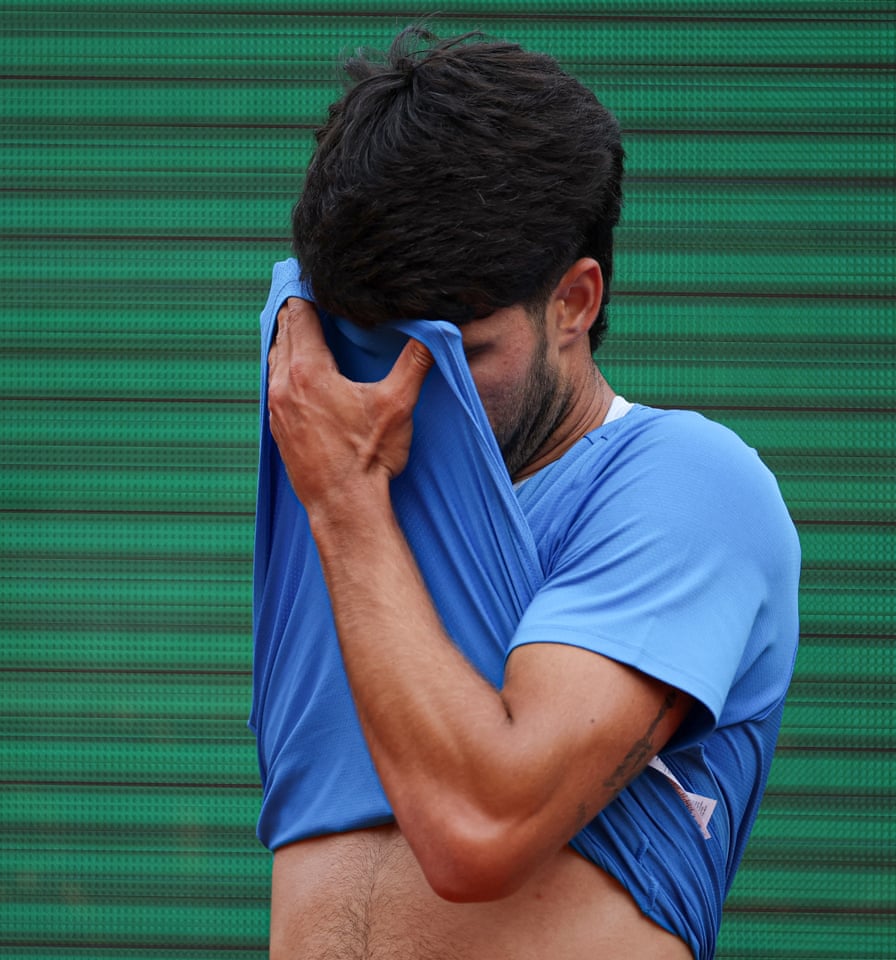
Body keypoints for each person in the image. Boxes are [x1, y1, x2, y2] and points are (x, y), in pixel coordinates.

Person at [251, 27, 801, 960]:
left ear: (575, 303)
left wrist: (344, 504)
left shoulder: (688, 484)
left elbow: (478, 831)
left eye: (462, 354)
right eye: (375, 346)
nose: (408, 392)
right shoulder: (355, 500)